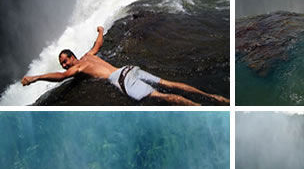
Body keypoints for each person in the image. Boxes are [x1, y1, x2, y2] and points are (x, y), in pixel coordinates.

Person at [21, 26, 229, 106]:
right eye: (63, 63)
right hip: (129, 68)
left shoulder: (78, 69)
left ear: (72, 58)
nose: (65, 65)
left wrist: (36, 77)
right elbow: (97, 45)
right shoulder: (88, 55)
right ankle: (216, 98)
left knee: (161, 96)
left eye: (65, 61)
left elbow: (60, 76)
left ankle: (198, 106)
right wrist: (101, 31)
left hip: (121, 79)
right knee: (170, 83)